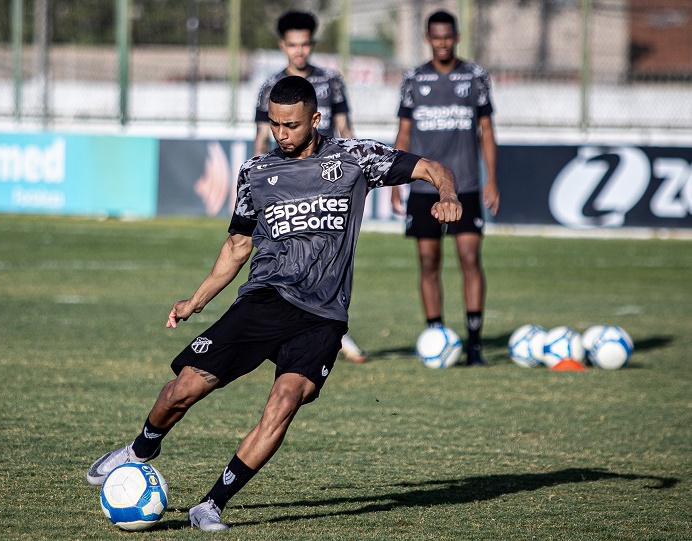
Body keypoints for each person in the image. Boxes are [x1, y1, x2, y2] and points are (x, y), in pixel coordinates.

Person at [87, 76, 461, 531]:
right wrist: (196, 300)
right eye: (274, 123)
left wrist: (447, 196)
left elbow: (431, 167)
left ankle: (211, 505)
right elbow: (237, 246)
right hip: (264, 300)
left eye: (291, 124)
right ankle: (141, 448)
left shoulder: (354, 157)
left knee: (283, 403)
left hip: (323, 316)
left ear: (315, 119)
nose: (280, 133)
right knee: (185, 389)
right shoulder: (256, 172)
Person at [254, 10, 366, 364]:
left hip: (328, 182)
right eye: (292, 45)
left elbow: (346, 130)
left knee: (331, 259)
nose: (299, 52)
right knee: (287, 259)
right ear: (282, 45)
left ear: (312, 45)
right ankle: (284, 330)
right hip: (287, 184)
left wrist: (359, 170)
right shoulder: (272, 86)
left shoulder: (331, 81)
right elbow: (261, 140)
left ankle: (335, 330)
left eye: (305, 44)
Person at [391, 10, 499, 366]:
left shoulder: (475, 76)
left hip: (466, 185)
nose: (442, 42)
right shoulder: (413, 79)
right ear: (427, 38)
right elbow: (404, 133)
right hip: (423, 188)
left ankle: (475, 342)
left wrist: (492, 179)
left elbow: (487, 130)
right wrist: (395, 180)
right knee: (428, 261)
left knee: (470, 258)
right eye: (435, 37)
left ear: (457, 36)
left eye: (447, 37)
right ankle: (435, 334)